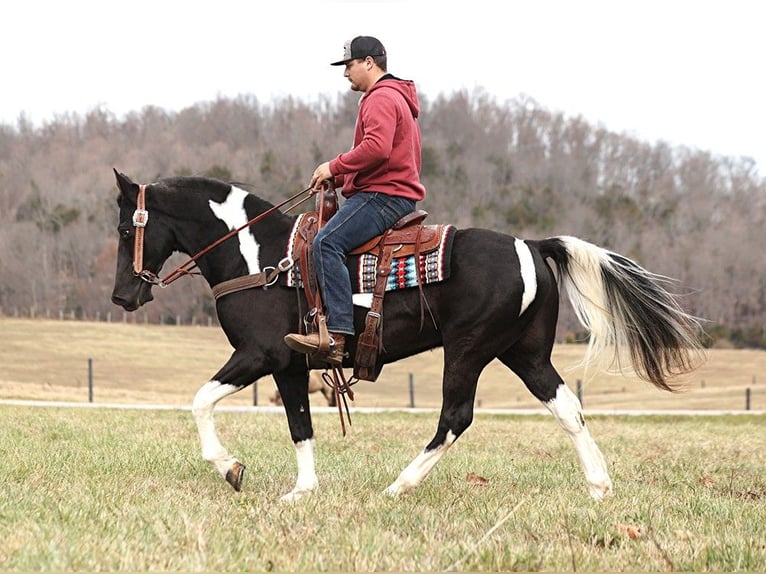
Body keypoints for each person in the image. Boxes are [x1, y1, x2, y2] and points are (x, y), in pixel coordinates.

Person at [284, 36, 427, 365]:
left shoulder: (380, 98)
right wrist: (342, 177)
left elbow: (377, 148)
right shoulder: (396, 97)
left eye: (348, 65)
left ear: (369, 63)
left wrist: (332, 166)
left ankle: (335, 335)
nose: (345, 73)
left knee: (326, 243)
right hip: (392, 192)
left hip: (384, 196)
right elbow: (381, 156)